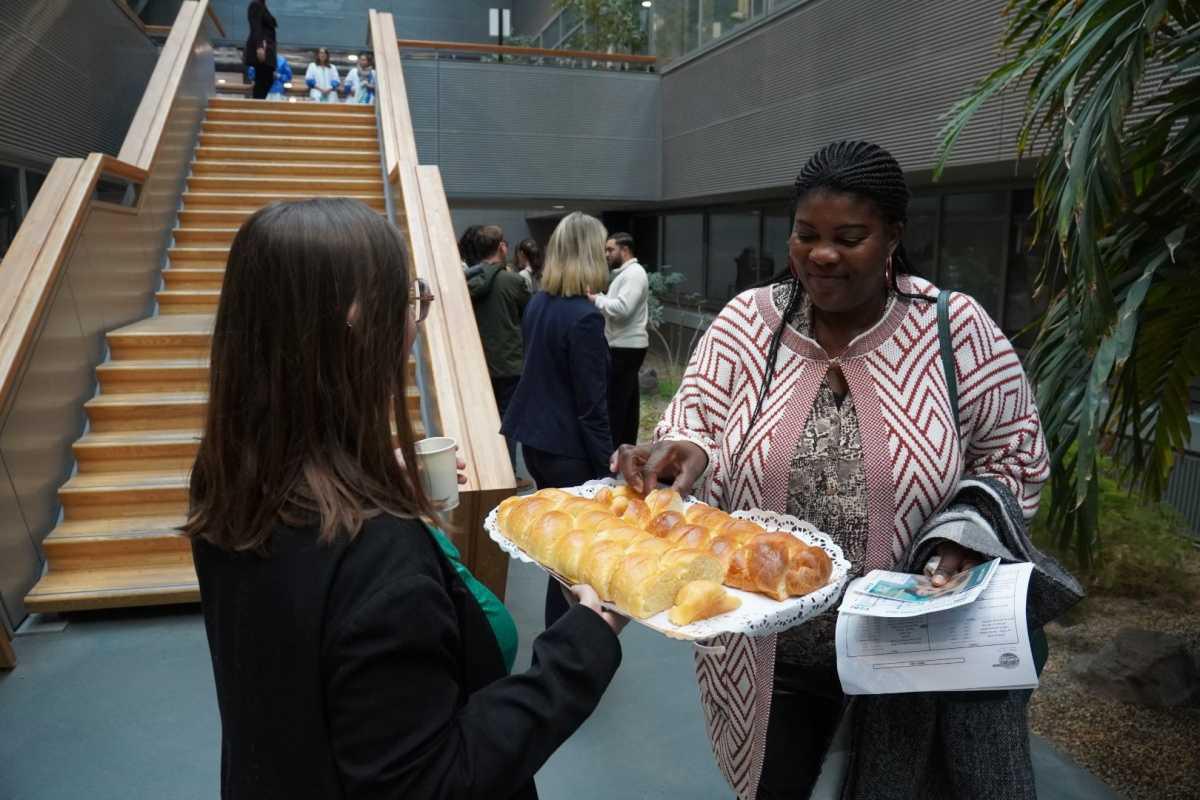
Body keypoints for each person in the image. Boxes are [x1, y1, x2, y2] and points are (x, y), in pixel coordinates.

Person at [615, 141, 1083, 799]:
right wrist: (684, 448)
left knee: (900, 783)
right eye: (806, 235)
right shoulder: (747, 326)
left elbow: (1013, 452)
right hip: (769, 646)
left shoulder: (955, 331)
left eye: (849, 237)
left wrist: (960, 537)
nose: (821, 254)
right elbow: (694, 419)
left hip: (908, 648)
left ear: (893, 234)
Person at [185, 197, 624, 799]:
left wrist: (371, 478)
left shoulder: (228, 478)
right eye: (409, 297)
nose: (416, 320)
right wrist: (579, 650)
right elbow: (434, 780)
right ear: (359, 318)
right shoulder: (377, 557)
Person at [502, 212, 613, 627]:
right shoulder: (584, 318)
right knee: (576, 561)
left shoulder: (538, 304)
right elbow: (591, 407)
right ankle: (566, 648)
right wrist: (609, 472)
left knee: (560, 554)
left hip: (535, 442)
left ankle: (559, 642)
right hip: (570, 450)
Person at [466, 224, 534, 492]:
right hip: (510, 363)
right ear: (502, 247)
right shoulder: (513, 281)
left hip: (479, 363)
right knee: (509, 419)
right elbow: (529, 317)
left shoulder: (467, 281)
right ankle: (508, 476)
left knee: (484, 419)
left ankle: (484, 472)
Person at [589, 232, 648, 448]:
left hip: (625, 346)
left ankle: (612, 453)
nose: (606, 254)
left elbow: (623, 309)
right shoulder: (628, 273)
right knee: (627, 402)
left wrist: (595, 299)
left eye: (610, 249)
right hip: (626, 345)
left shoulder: (634, 274)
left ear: (624, 250)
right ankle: (624, 449)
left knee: (616, 403)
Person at [245, 0, 277, 100]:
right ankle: (256, 106)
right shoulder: (256, 4)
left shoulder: (262, 5)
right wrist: (259, 46)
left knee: (265, 79)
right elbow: (256, 27)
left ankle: (257, 104)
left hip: (267, 47)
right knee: (264, 79)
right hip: (263, 47)